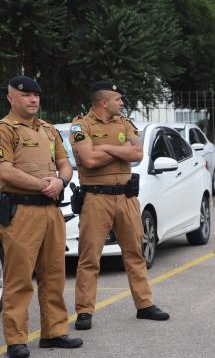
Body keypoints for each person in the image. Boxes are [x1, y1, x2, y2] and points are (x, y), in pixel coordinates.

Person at [70, 81, 169, 330]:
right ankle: (84, 311)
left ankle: (144, 304)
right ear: (103, 102)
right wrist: (120, 149)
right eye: (118, 99)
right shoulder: (80, 126)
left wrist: (103, 146)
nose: (122, 103)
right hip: (95, 199)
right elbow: (89, 159)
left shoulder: (125, 123)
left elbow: (138, 154)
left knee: (135, 253)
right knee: (89, 257)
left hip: (126, 198)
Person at [0, 76, 82, 358]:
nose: (33, 100)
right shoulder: (5, 129)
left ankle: (54, 332)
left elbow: (64, 163)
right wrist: (42, 185)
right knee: (19, 278)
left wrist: (61, 181)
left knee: (54, 275)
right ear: (12, 98)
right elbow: (4, 170)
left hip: (51, 211)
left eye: (36, 95)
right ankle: (16, 339)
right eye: (26, 96)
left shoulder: (48, 130)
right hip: (21, 211)